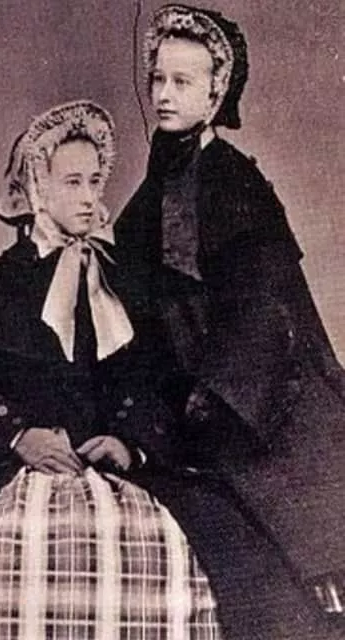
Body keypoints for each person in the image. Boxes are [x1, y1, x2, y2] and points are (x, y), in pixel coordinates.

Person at [0, 101, 222, 639]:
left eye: (94, 181)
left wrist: (129, 443)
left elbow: (153, 377)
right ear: (38, 190)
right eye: (72, 183)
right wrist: (19, 435)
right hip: (7, 469)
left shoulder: (118, 280)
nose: (90, 197)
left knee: (186, 552)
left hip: (112, 473)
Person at [112, 4, 345, 640]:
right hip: (192, 402)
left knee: (292, 562)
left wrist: (206, 405)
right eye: (157, 79)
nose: (163, 95)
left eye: (181, 82)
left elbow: (263, 319)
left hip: (265, 408)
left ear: (216, 93)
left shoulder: (238, 184)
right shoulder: (154, 191)